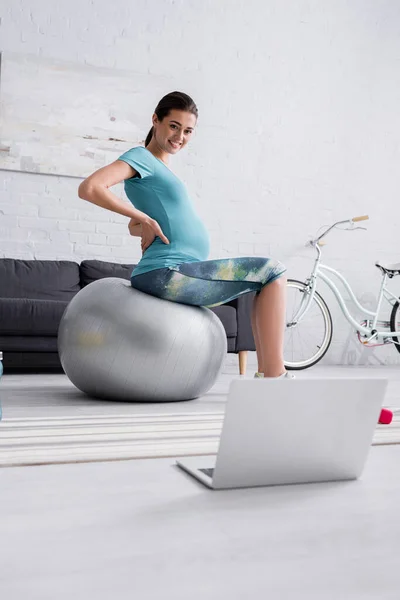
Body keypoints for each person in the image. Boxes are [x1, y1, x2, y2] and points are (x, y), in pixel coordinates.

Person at [78, 91, 292, 379]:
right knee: (273, 271)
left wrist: (144, 223)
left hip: (176, 269)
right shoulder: (141, 156)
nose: (180, 136)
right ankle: (275, 379)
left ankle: (267, 375)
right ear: (156, 120)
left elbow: (139, 226)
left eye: (188, 130)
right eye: (174, 126)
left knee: (264, 281)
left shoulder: (160, 168)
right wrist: (141, 216)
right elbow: (90, 187)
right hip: (167, 271)